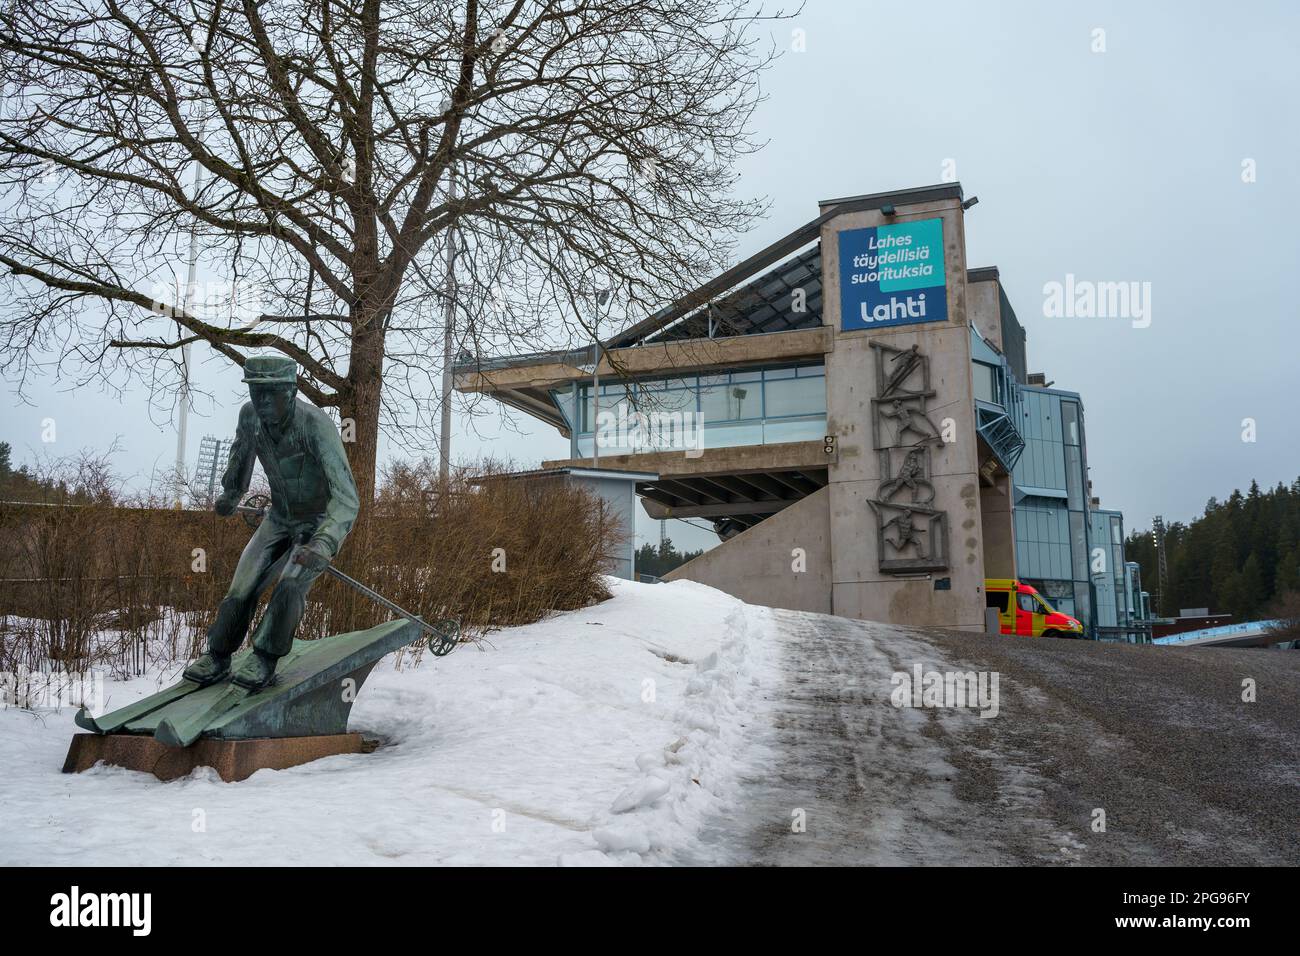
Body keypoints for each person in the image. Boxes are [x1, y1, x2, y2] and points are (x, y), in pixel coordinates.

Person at [183, 356, 359, 690]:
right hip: (278, 518)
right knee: (241, 588)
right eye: (256, 392)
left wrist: (324, 542)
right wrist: (232, 492)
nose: (262, 401)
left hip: (317, 523)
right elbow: (240, 454)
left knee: (290, 588)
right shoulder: (250, 417)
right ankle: (219, 654)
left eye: (271, 393)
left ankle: (264, 658)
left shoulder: (316, 425)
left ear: (291, 392)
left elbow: (347, 497)